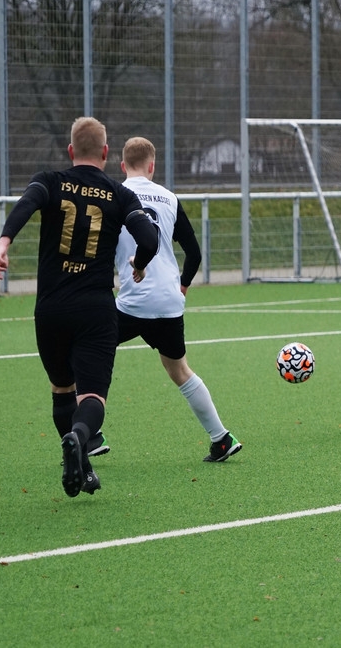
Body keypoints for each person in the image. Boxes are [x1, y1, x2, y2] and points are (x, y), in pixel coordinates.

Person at [0, 117, 157, 498]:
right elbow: (148, 239)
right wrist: (140, 263)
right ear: (105, 152)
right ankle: (80, 437)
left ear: (70, 151)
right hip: (95, 309)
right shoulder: (119, 194)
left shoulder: (49, 181)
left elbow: (26, 204)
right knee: (92, 397)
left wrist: (4, 243)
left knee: (62, 388)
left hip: (51, 309)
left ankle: (84, 466)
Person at [104, 137, 242, 462]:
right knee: (179, 370)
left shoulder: (115, 195)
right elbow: (194, 253)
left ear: (122, 165)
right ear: (152, 166)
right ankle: (221, 438)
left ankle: (88, 434)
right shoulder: (169, 197)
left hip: (131, 301)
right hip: (168, 301)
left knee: (86, 353)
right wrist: (183, 286)